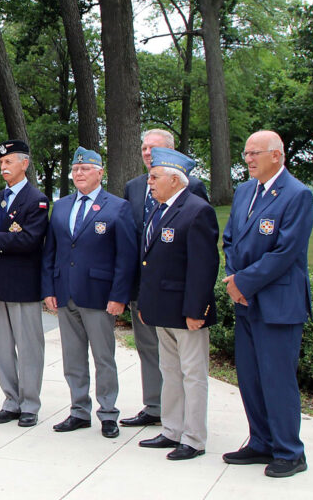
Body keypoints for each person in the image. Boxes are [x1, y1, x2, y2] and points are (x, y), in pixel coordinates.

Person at [221, 130, 313, 478]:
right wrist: (235, 280)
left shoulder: (297, 194)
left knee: (277, 379)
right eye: (246, 154)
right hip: (245, 301)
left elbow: (286, 252)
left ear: (278, 154)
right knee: (250, 377)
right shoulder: (245, 191)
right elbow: (230, 238)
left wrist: (243, 283)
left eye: (255, 153)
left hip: (278, 303)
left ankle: (289, 451)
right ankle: (261, 441)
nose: (248, 160)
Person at [42, 147, 137, 438]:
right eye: (75, 169)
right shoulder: (62, 205)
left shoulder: (117, 206)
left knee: (103, 357)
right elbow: (51, 251)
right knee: (72, 358)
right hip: (65, 292)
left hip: (99, 295)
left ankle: (108, 413)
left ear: (100, 172)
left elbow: (126, 256)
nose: (79, 173)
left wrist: (119, 296)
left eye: (85, 169)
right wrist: (48, 288)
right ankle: (78, 411)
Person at [120, 129, 209, 428]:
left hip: (177, 293)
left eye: (154, 148)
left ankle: (186, 419)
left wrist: (195, 304)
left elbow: (200, 251)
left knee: (185, 363)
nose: (147, 153)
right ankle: (155, 407)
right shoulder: (133, 187)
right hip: (144, 288)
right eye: (144, 147)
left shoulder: (191, 187)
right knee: (149, 350)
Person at [135, 147, 219, 461]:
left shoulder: (197, 211)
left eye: (155, 177)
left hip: (187, 312)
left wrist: (196, 310)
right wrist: (146, 303)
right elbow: (150, 263)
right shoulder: (160, 209)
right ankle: (172, 429)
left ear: (175, 179)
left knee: (193, 375)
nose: (150, 182)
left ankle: (194, 438)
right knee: (170, 371)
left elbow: (203, 266)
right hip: (162, 309)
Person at [0, 140, 49, 427]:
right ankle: (11, 400)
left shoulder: (36, 200)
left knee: (29, 346)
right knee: (3, 346)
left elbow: (30, 240)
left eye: (9, 161)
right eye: (1, 163)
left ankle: (30, 404)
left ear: (25, 163)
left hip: (23, 283)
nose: (3, 167)